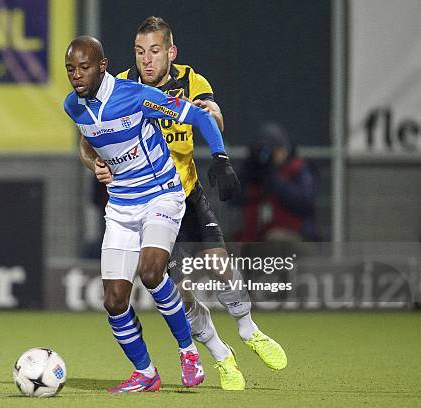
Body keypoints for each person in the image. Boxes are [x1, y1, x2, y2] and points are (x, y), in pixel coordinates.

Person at [80, 17, 287, 391]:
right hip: (140, 202)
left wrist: (217, 141)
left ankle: (247, 328)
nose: (147, 60)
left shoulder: (192, 82)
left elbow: (210, 115)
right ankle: (221, 355)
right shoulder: (120, 85)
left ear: (170, 52)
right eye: (140, 52)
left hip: (182, 193)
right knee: (179, 290)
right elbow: (89, 134)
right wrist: (94, 161)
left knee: (217, 263)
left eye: (155, 51)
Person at [64, 35, 239, 393]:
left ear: (102, 66)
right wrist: (94, 162)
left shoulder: (134, 95)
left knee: (152, 271)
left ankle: (188, 351)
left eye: (84, 67)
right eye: (70, 69)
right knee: (113, 301)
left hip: (162, 196)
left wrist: (220, 157)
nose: (77, 76)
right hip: (121, 205)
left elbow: (198, 118)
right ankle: (146, 374)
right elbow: (88, 143)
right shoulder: (73, 106)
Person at [238, 122, 318, 243]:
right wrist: (250, 170)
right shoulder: (257, 171)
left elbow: (305, 202)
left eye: (273, 151)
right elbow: (233, 198)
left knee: (274, 239)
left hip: (299, 238)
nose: (269, 156)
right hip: (258, 235)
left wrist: (273, 179)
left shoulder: (298, 169)